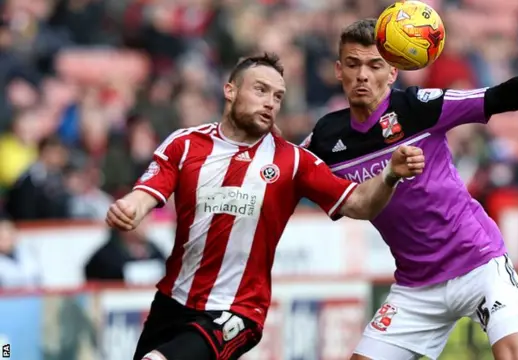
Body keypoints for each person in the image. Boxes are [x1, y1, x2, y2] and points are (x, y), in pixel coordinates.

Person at [300, 19, 518, 360]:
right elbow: (285, 172)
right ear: (338, 70)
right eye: (353, 64)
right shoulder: (327, 137)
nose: (362, 75)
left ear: (393, 73)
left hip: (477, 261)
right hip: (415, 287)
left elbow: (496, 97)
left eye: (375, 65)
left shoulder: (420, 107)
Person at [105, 53, 425, 360]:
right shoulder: (185, 144)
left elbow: (359, 204)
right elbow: (146, 192)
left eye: (278, 96)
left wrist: (390, 175)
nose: (270, 102)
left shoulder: (294, 161)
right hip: (172, 301)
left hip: (238, 311)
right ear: (230, 90)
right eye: (260, 90)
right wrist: (130, 208)